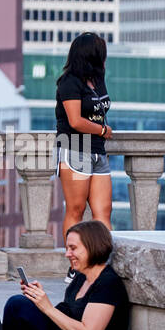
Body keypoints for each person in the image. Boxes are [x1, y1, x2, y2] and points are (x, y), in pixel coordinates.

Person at [3, 220, 130, 330]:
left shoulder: (108, 284)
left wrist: (47, 308)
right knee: (17, 304)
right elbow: (64, 314)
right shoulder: (82, 276)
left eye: (73, 248)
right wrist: (38, 297)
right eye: (67, 248)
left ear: (92, 247)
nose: (67, 254)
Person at [55, 33, 113, 267]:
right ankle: (74, 266)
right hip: (75, 149)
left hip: (98, 151)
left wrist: (100, 134)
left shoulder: (97, 80)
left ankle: (102, 265)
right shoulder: (69, 82)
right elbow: (75, 121)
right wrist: (101, 130)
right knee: (76, 209)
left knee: (103, 212)